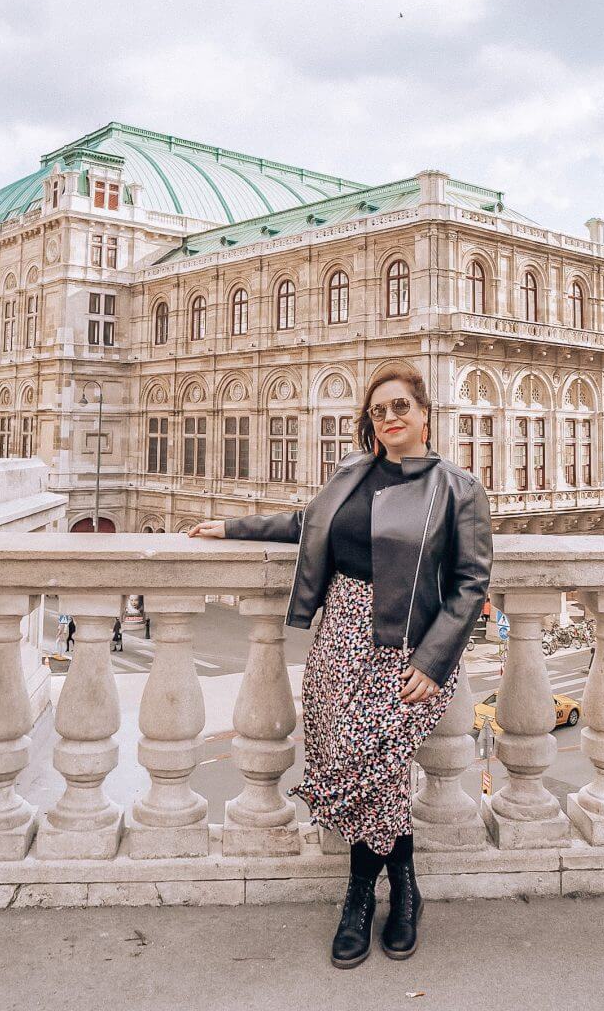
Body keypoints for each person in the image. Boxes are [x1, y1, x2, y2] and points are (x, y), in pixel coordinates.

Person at [188, 366, 492, 968]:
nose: (390, 418)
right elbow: (308, 525)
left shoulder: (458, 489)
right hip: (341, 637)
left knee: (363, 758)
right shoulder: (351, 473)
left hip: (409, 646)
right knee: (372, 769)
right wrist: (233, 526)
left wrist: (434, 660)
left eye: (400, 406)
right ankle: (402, 887)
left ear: (425, 414)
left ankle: (358, 894)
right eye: (378, 411)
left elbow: (470, 582)